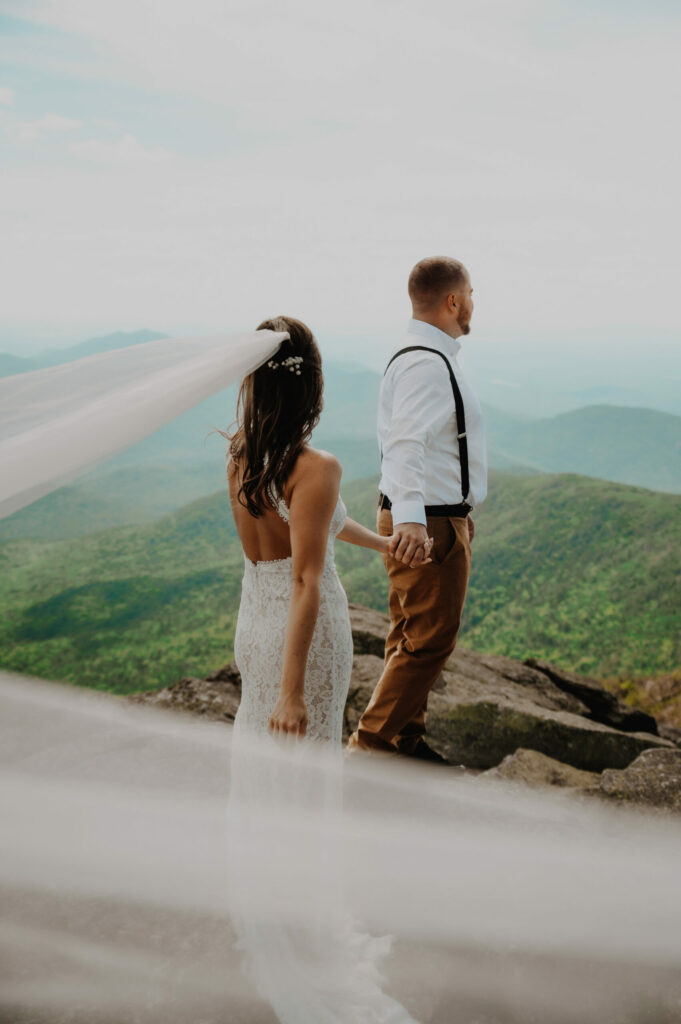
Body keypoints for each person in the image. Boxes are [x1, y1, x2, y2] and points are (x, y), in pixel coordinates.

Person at [224, 314, 423, 1024]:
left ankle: (275, 895)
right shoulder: (318, 465)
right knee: (303, 763)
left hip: (254, 620)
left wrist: (381, 545)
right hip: (303, 640)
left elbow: (320, 523)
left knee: (265, 765)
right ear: (311, 383)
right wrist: (289, 691)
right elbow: (308, 576)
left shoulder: (244, 454)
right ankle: (301, 917)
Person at [347, 256, 488, 764]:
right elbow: (406, 442)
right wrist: (414, 520)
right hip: (425, 522)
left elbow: (436, 446)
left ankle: (405, 740)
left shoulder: (422, 357)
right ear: (453, 300)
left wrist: (459, 506)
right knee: (429, 642)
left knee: (408, 634)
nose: (473, 302)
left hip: (435, 514)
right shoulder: (428, 364)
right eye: (470, 293)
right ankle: (369, 750)